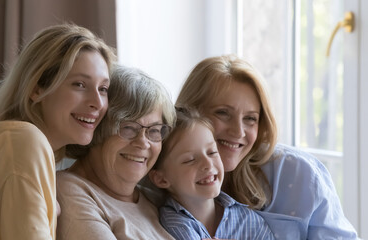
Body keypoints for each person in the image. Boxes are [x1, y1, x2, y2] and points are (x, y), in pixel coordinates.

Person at [0, 23, 116, 239]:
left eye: (103, 89)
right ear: (36, 88)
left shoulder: (15, 141)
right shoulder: (22, 141)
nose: (97, 103)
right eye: (79, 84)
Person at [173, 54, 359, 239]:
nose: (238, 132)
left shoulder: (299, 174)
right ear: (189, 114)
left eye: (250, 119)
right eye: (223, 113)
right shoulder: (161, 178)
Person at [56, 65, 176, 240]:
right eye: (128, 127)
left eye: (154, 130)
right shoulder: (68, 189)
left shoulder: (158, 199)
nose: (143, 142)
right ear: (97, 127)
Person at [149, 106, 275, 239]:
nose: (208, 164)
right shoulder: (173, 226)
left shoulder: (249, 221)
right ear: (161, 179)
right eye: (190, 160)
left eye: (212, 152)